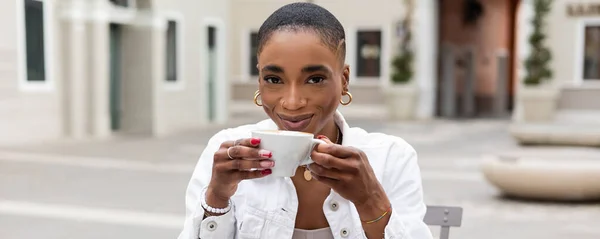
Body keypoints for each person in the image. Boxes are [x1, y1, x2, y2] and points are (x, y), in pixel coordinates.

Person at [178, 2, 432, 239]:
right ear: (260, 81)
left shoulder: (391, 158)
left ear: (343, 80)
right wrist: (217, 197)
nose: (292, 102)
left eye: (315, 79)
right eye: (274, 80)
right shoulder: (226, 151)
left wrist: (369, 201)